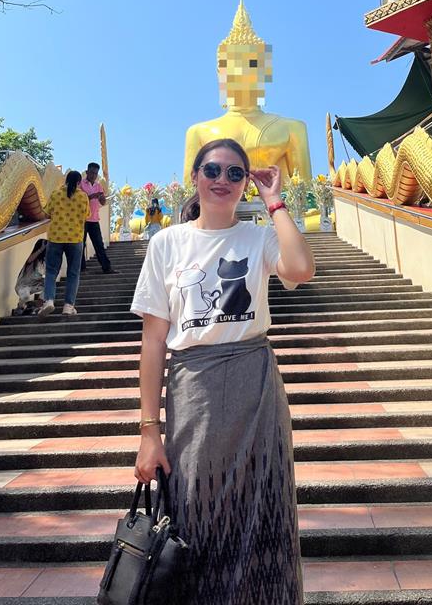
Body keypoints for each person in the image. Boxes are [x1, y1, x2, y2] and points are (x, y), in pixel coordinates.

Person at [130, 138, 315, 605]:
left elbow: (300, 268)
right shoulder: (167, 243)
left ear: (245, 183)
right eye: (212, 170)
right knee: (196, 509)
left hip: (257, 387)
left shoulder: (258, 236)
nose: (222, 180)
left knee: (264, 506)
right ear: (195, 176)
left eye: (235, 173)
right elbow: (153, 342)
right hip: (195, 390)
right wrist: (149, 431)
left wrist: (275, 201)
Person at [38, 170, 90, 317]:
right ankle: (68, 306)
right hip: (75, 239)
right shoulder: (83, 197)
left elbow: (46, 213)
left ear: (65, 180)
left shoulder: (55, 194)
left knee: (51, 271)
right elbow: (87, 215)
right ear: (79, 182)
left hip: (56, 237)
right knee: (73, 273)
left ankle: (49, 300)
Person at [80, 162, 116, 274]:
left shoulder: (98, 186)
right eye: (91, 173)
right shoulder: (80, 184)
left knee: (99, 244)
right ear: (87, 172)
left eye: (95, 173)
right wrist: (91, 196)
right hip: (82, 219)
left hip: (94, 219)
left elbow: (103, 202)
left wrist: (101, 198)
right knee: (81, 244)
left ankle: (106, 267)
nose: (93, 175)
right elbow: (78, 199)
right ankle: (81, 268)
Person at [13, 238, 47, 315]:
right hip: (23, 286)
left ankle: (37, 305)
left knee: (49, 286)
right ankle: (21, 307)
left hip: (35, 285)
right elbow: (29, 260)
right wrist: (41, 249)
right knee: (25, 297)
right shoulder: (32, 260)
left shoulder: (43, 263)